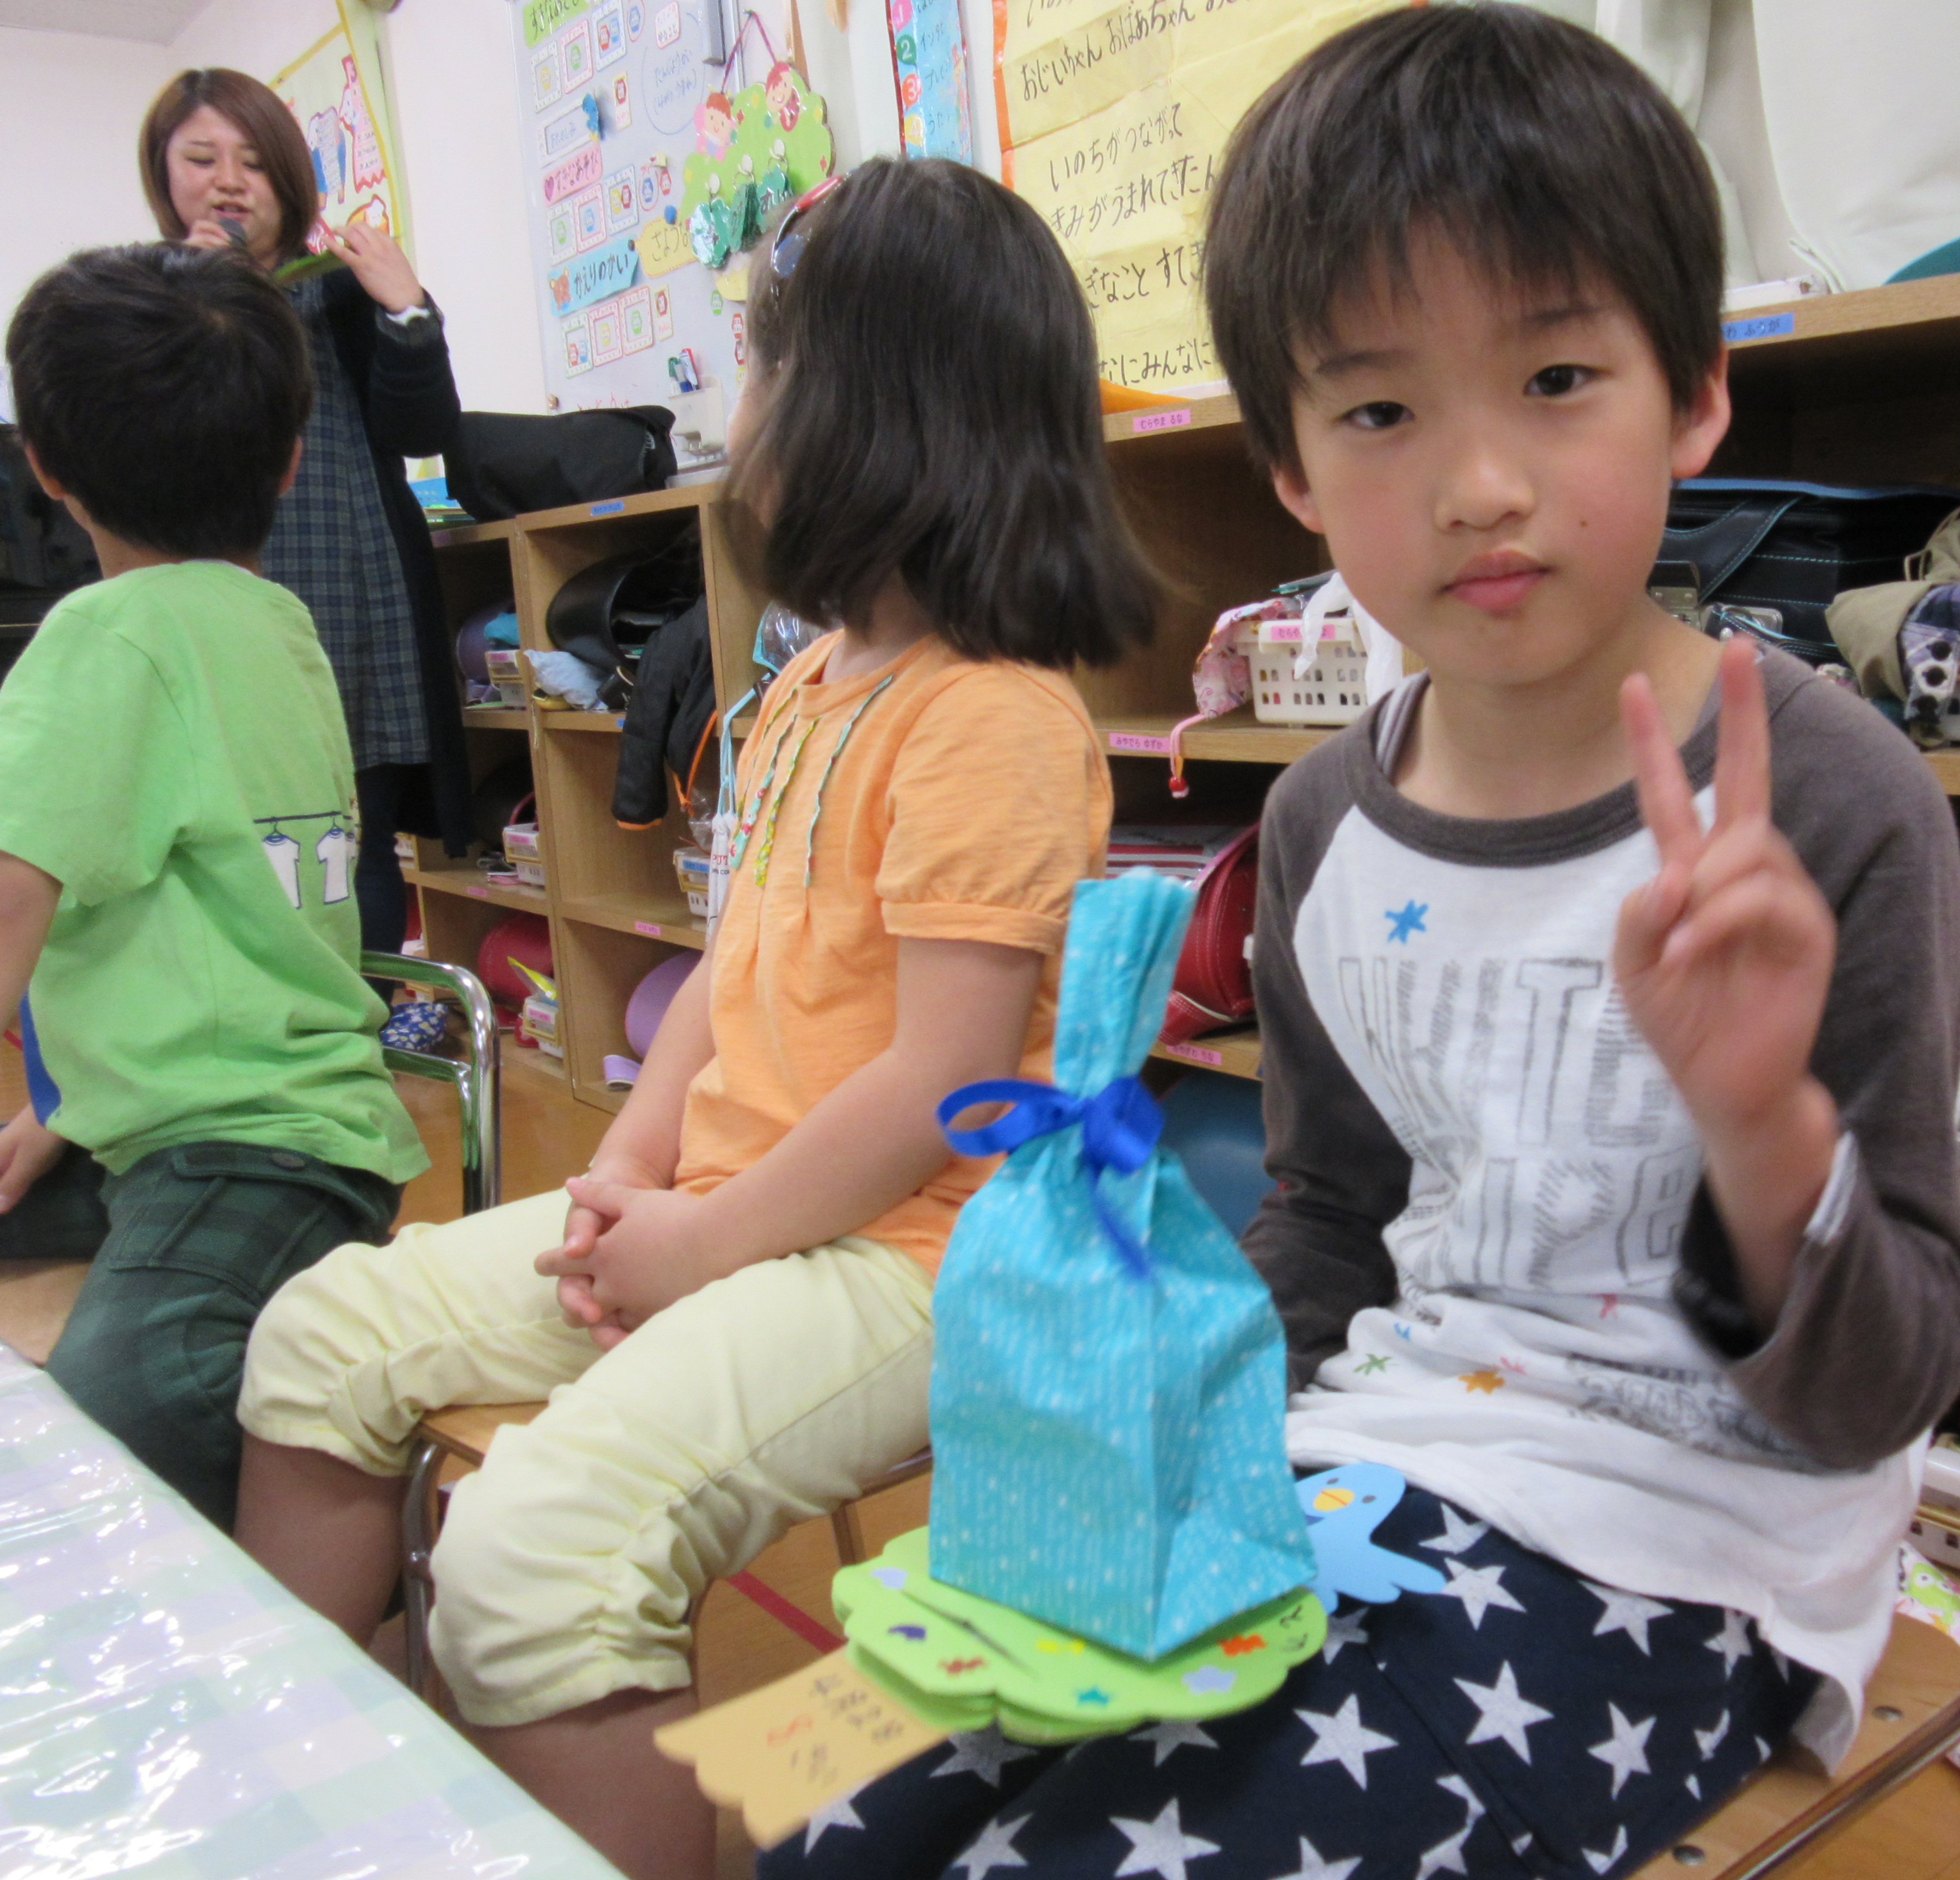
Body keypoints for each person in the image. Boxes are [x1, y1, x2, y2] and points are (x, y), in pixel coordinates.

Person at [774, 10, 1960, 1879]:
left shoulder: (1823, 807)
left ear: (1693, 394)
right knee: (827, 1818)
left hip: (1686, 1551)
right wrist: (1173, 1422)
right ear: (1289, 470)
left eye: (1557, 376)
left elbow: (1877, 1393)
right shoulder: (1329, 819)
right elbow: (1333, 1217)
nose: (1478, 482)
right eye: (1380, 411)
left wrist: (1761, 1128)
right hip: (1373, 1462)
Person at [231, 158, 1158, 1880]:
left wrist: (704, 1245)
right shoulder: (803, 683)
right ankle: (327, 1798)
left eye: (762, 364)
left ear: (878, 412)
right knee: (320, 1337)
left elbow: (943, 1078)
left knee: (536, 1555)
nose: (743, 411)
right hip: (742, 1214)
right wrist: (634, 1173)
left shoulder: (994, 712)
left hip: (927, 1258)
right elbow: (730, 984)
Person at [0, 244, 425, 1528]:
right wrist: (71, 1105)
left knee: (115, 1417)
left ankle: (309, 1576)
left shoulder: (102, 640)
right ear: (291, 461)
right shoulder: (277, 619)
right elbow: (223, 916)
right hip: (218, 1125)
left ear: (46, 468)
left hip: (253, 1151)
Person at [138, 67, 475, 960]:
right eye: (202, 158)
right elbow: (143, 451)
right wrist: (196, 307)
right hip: (203, 605)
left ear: (290, 179)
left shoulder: (342, 289)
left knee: (353, 839)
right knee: (220, 835)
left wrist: (409, 309)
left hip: (349, 599)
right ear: (164, 175)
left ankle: (359, 1024)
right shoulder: (142, 304)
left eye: (254, 161)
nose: (229, 182)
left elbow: (424, 432)